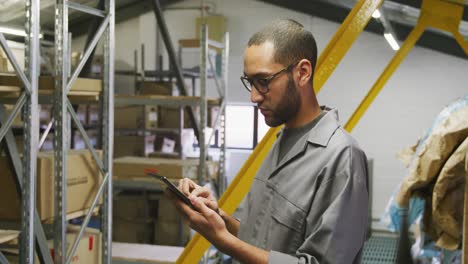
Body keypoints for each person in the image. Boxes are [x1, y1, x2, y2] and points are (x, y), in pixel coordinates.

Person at [167, 19, 369, 264]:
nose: (254, 96)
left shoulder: (341, 158)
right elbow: (263, 243)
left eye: (263, 81)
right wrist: (218, 217)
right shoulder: (282, 143)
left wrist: (223, 240)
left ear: (302, 73)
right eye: (250, 82)